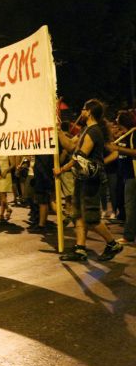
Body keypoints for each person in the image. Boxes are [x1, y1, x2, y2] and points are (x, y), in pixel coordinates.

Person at [55, 99, 123, 261]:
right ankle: (80, 249)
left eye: (84, 109)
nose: (81, 112)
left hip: (91, 180)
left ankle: (113, 244)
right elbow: (71, 147)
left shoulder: (93, 132)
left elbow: (79, 156)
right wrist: (58, 131)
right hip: (82, 178)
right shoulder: (87, 129)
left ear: (89, 112)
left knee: (91, 218)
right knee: (78, 214)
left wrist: (62, 169)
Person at [106, 110, 136, 245]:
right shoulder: (124, 135)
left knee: (130, 207)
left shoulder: (133, 133)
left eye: (118, 119)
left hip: (133, 175)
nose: (116, 121)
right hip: (125, 175)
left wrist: (119, 149)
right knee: (129, 205)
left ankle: (128, 236)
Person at [0, 155, 15, 222]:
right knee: (0, 196)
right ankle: (4, 212)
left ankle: (4, 212)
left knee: (2, 194)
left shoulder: (8, 151)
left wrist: (6, 171)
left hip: (5, 174)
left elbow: (13, 165)